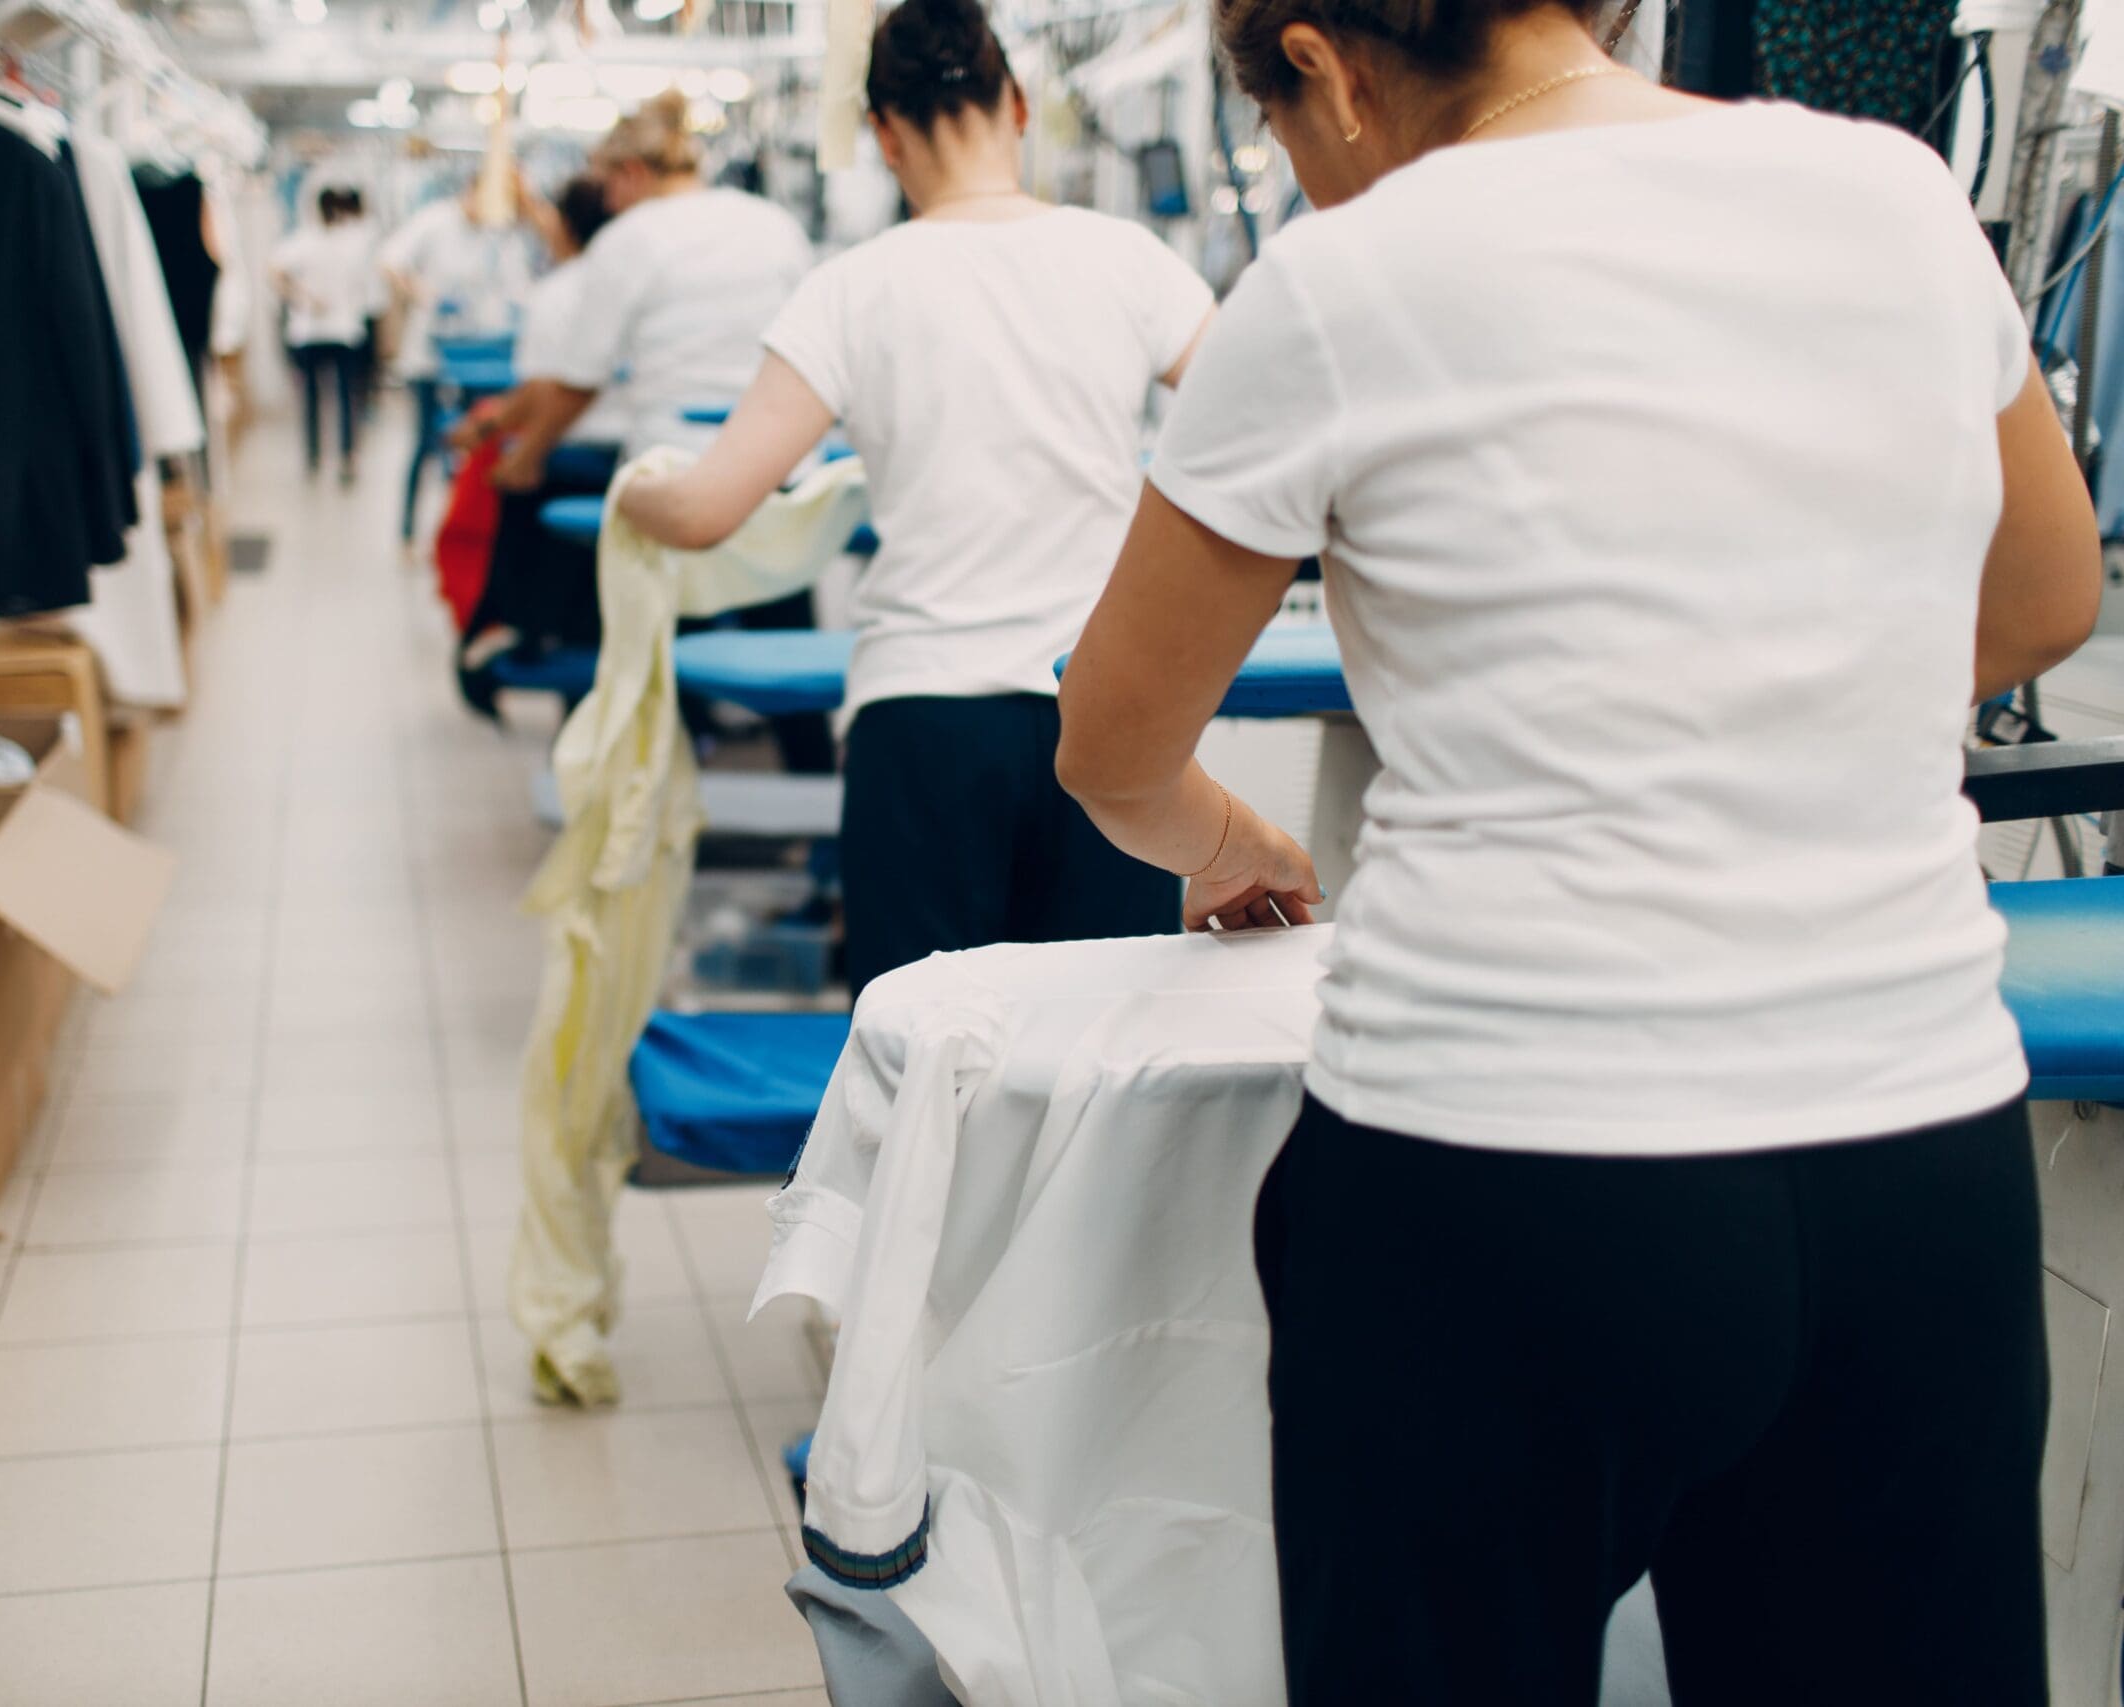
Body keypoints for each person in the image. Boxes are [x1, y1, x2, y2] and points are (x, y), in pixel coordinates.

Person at [1052, 2, 2104, 1702]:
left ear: (1317, 59)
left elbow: (1110, 740)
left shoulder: (1338, 286)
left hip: (1507, 1172)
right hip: (1912, 1161)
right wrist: (1784, 691)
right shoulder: (1897, 195)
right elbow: (2053, 597)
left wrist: (1223, 833)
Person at [614, 0, 1215, 991]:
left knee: (919, 1079)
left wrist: (633, 496)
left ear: (886, 138)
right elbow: (1271, 428)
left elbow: (704, 510)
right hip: (1107, 719)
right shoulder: (1133, 264)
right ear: (1017, 105)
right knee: (1102, 1075)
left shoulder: (854, 288)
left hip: (926, 721)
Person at [520, 90, 836, 776]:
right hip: (775, 464)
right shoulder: (772, 223)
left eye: (605, 184)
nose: (602, 200)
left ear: (631, 174)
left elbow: (580, 378)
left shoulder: (628, 240)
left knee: (656, 642)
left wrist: (527, 456)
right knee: (784, 632)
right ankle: (811, 780)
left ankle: (667, 785)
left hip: (679, 473)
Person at [446, 176, 631, 706]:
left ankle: (515, 641)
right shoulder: (633, 281)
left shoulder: (563, 291)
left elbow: (553, 387)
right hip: (628, 456)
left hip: (570, 460)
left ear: (567, 225)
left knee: (545, 582)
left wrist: (517, 450)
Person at [380, 167, 538, 542]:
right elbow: (389, 261)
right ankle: (407, 531)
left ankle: (463, 530)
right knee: (425, 443)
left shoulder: (499, 232)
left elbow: (518, 286)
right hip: (430, 358)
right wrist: (422, 294)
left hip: (480, 359)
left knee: (476, 445)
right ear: (470, 191)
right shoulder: (434, 220)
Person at [270, 185, 379, 484]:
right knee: (343, 397)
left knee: (314, 398)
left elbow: (275, 272)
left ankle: (317, 457)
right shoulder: (341, 240)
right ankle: (341, 457)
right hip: (334, 330)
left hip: (320, 330)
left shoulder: (307, 240)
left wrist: (299, 296)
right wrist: (304, 297)